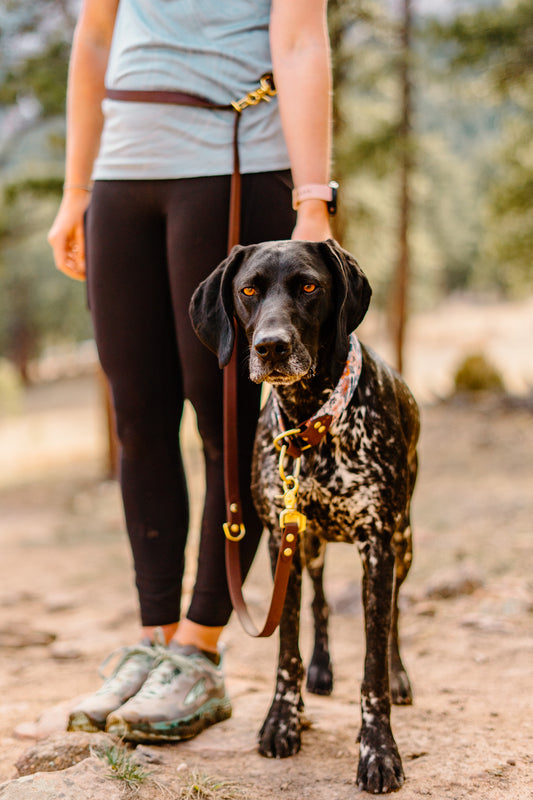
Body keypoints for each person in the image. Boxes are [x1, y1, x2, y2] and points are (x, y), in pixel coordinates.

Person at [48, 0, 334, 743]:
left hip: (232, 161)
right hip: (121, 171)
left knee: (225, 420)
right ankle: (154, 640)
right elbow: (95, 35)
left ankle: (200, 650)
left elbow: (300, 39)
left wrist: (312, 201)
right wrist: (77, 187)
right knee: (137, 416)